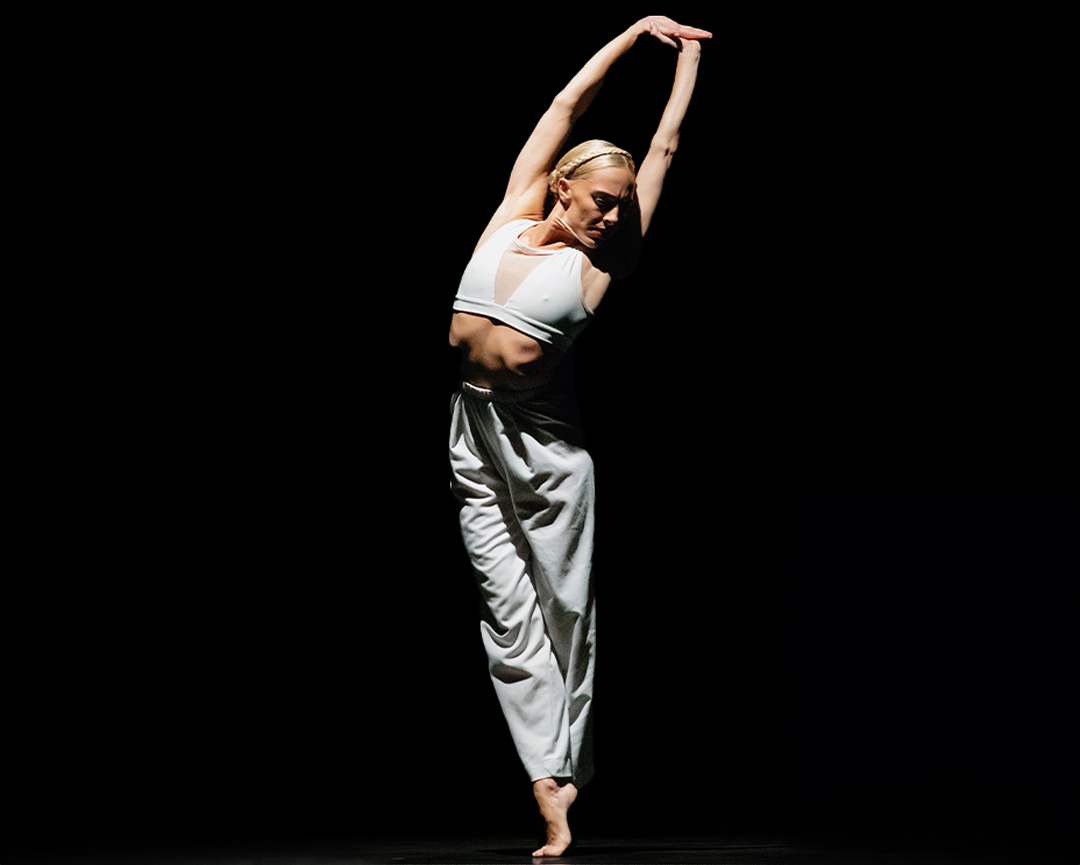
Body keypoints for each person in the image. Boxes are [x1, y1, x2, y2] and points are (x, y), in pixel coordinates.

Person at [448, 16, 710, 858]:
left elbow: (662, 150)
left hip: (550, 452)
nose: (613, 213)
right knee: (507, 615)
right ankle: (544, 779)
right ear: (562, 187)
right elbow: (566, 104)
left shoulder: (606, 260)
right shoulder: (513, 212)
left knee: (567, 612)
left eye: (623, 206)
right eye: (602, 198)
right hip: (472, 432)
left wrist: (689, 65)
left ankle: (563, 780)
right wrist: (634, 35)